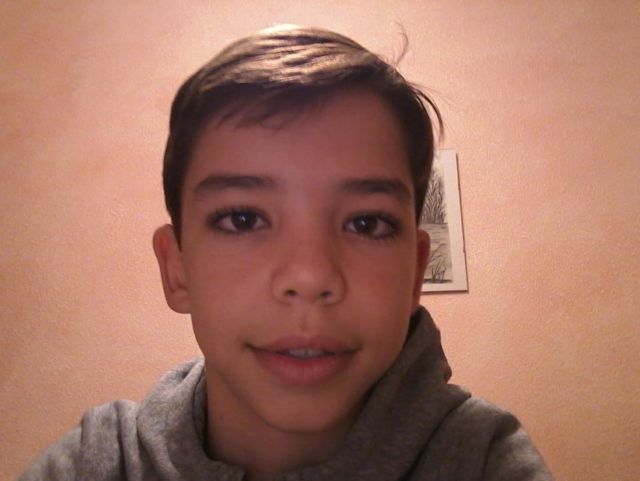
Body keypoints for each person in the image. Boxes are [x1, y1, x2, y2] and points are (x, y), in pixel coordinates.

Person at [18, 25, 554, 481]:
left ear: (414, 272)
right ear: (177, 268)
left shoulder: (482, 460)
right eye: (243, 219)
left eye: (366, 223)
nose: (310, 275)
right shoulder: (98, 461)